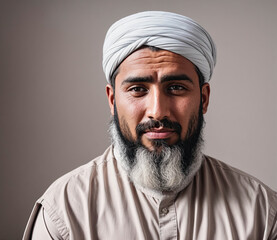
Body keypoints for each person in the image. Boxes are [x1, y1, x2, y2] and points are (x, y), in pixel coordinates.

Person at [23, 11, 277, 239]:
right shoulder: (64, 210)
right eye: (137, 89)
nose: (157, 110)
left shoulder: (261, 211)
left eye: (176, 88)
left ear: (204, 98)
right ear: (112, 100)